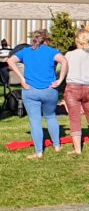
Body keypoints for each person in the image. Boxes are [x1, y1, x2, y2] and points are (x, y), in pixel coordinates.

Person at [6, 29, 66, 159]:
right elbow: (64, 61)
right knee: (50, 117)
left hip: (30, 90)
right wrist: (60, 80)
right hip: (50, 90)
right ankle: (57, 146)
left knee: (35, 121)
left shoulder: (26, 52)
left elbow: (10, 61)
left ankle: (39, 152)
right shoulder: (52, 52)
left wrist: (21, 79)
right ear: (46, 40)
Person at [63, 30, 89, 154]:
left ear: (76, 40)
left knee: (75, 119)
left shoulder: (69, 55)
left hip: (73, 88)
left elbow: (60, 70)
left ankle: (77, 150)